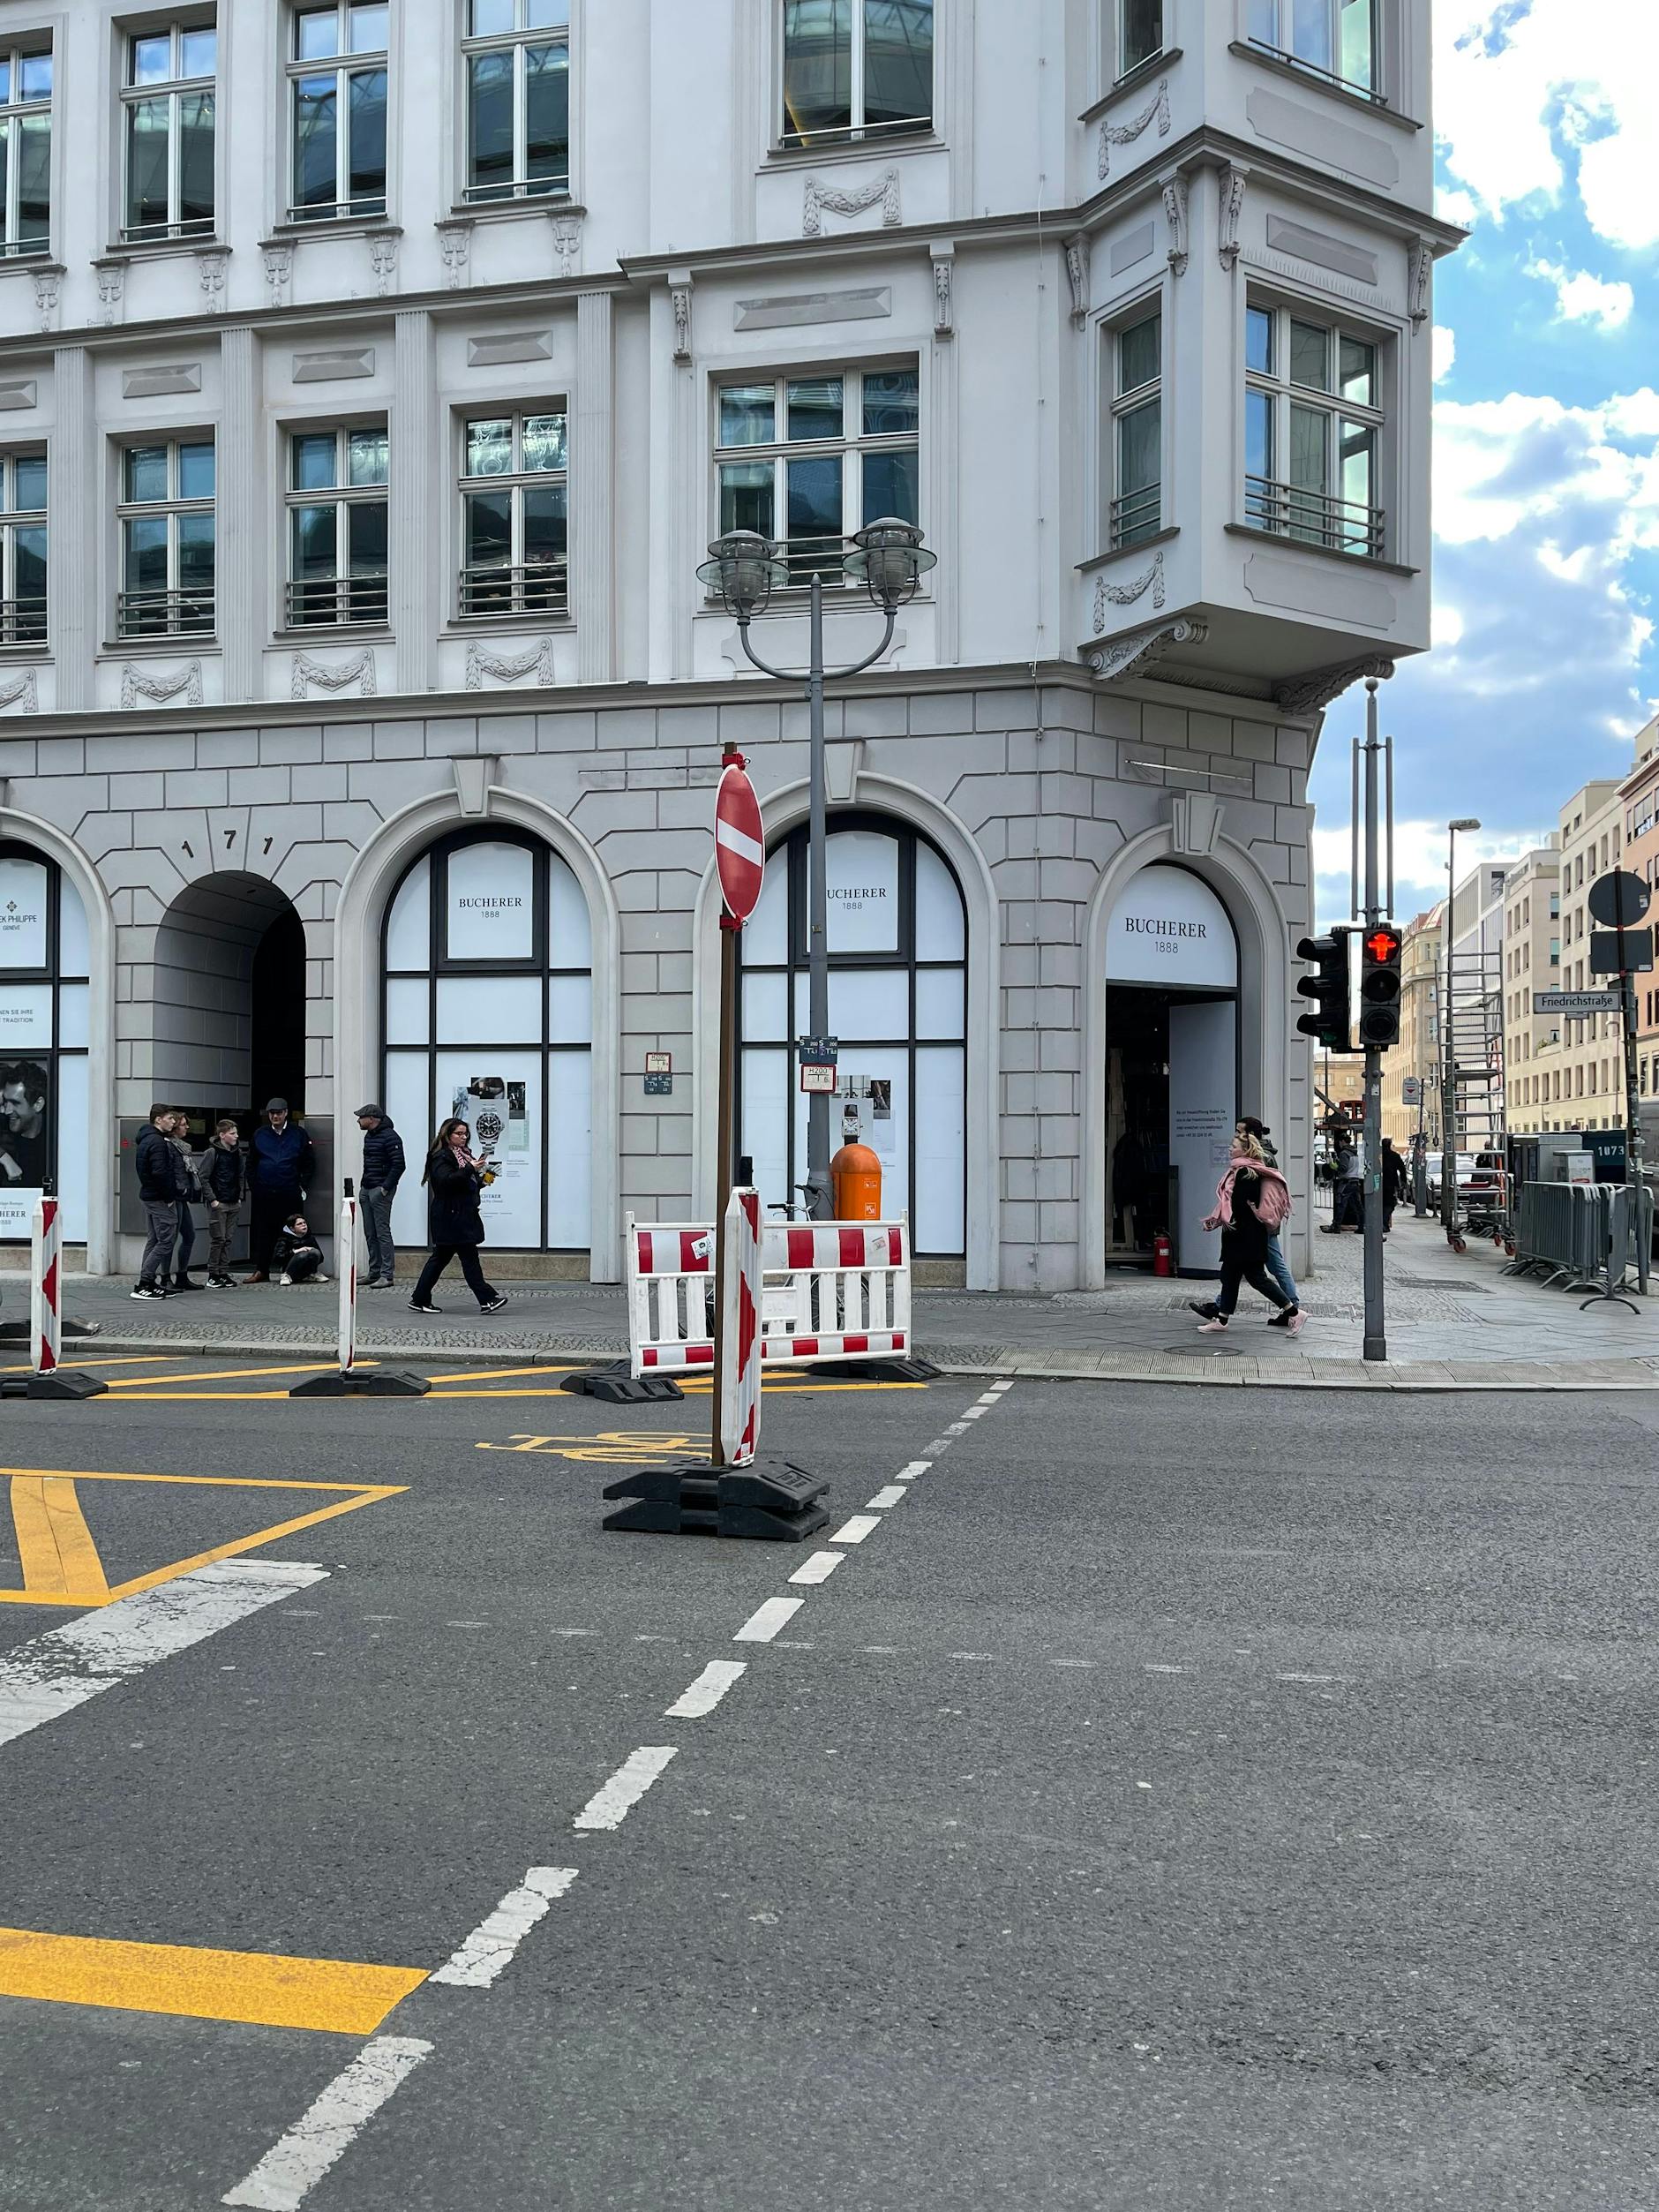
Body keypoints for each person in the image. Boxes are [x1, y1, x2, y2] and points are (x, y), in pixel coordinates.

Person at [1188, 1132, 1303, 1334]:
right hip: (1243, 1236)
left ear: (1245, 1149)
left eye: (1234, 1146)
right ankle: (1222, 1320)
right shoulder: (1242, 1171)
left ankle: (1294, 1312)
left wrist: (1224, 1220)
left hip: (1244, 1237)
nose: (1230, 1149)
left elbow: (1240, 1205)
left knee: (1256, 1278)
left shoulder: (1246, 1173)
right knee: (1230, 1277)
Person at [409, 1117, 509, 1316]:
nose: (464, 1137)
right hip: (451, 1216)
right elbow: (445, 1182)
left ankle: (419, 1299)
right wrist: (470, 1169)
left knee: (440, 1259)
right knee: (468, 1258)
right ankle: (487, 1299)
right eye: (459, 1134)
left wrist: (482, 1180)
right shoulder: (442, 1156)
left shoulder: (463, 1155)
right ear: (448, 1135)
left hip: (459, 1215)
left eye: (466, 1134)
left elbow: (462, 1182)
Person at [1237, 1115, 1300, 1321]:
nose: (1236, 1135)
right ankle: (1292, 1307)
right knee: (1241, 1264)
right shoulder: (1262, 1154)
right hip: (1263, 1219)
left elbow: (1257, 1188)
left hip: (1261, 1220)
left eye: (1240, 1132)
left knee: (1271, 1265)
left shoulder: (1260, 1156)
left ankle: (1294, 1308)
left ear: (1252, 1135)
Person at [245, 1097, 314, 1282]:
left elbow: (309, 1162)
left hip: (289, 1191)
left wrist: (302, 1184)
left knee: (292, 1231)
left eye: (278, 1113)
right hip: (265, 1192)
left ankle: (289, 1270)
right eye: (272, 1113)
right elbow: (251, 1163)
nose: (275, 1116)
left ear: (286, 1113)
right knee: (263, 1232)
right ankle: (262, 1270)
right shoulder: (260, 1134)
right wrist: (255, 1186)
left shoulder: (298, 1134)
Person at [131, 1102, 185, 1299]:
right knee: (166, 1239)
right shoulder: (157, 1142)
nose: (174, 1122)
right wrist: (169, 1197)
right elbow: (160, 1173)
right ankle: (144, 1283)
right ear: (158, 1120)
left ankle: (149, 1282)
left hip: (150, 1195)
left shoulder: (147, 1139)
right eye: (170, 1118)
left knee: (154, 1239)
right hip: (158, 1198)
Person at [355, 1102, 406, 1289]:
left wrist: (384, 1188)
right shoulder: (370, 1136)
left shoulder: (390, 1137)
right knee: (370, 1233)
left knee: (382, 1232)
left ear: (372, 1119)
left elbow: (399, 1165)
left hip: (379, 1190)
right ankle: (374, 1272)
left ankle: (386, 1275)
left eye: (361, 1117)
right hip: (367, 1187)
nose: (359, 1120)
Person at [200, 1117, 245, 1288]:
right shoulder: (212, 1153)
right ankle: (213, 1273)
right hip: (219, 1202)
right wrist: (213, 1200)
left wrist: (240, 1196)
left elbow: (241, 1175)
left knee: (228, 1239)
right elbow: (203, 1177)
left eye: (236, 1133)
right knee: (218, 1239)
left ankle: (223, 1272)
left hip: (233, 1200)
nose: (236, 1136)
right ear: (222, 1135)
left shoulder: (237, 1153)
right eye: (232, 1133)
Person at [167, 1110, 203, 1290]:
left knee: (189, 1235)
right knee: (170, 1238)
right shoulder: (169, 1146)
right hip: (175, 1196)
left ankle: (182, 1275)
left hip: (183, 1195)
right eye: (183, 1124)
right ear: (174, 1128)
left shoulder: (184, 1147)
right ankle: (166, 1277)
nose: (187, 1127)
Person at [271, 1210, 328, 1286]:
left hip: (305, 1271)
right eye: (299, 1224)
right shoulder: (284, 1239)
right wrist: (295, 1252)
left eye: (304, 1223)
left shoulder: (310, 1238)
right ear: (292, 1228)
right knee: (302, 1254)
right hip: (290, 1269)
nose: (304, 1225)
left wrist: (311, 1250)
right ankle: (286, 1276)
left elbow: (321, 1258)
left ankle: (312, 1273)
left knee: (315, 1251)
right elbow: (278, 1258)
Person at [1381, 1136, 1410, 1231]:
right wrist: (1403, 1182)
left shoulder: (1378, 1155)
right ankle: (1384, 1222)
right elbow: (1402, 1169)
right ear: (1390, 1145)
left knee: (1381, 1203)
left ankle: (1383, 1222)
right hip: (1390, 1184)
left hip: (1378, 1183)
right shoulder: (1395, 1156)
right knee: (1390, 1203)